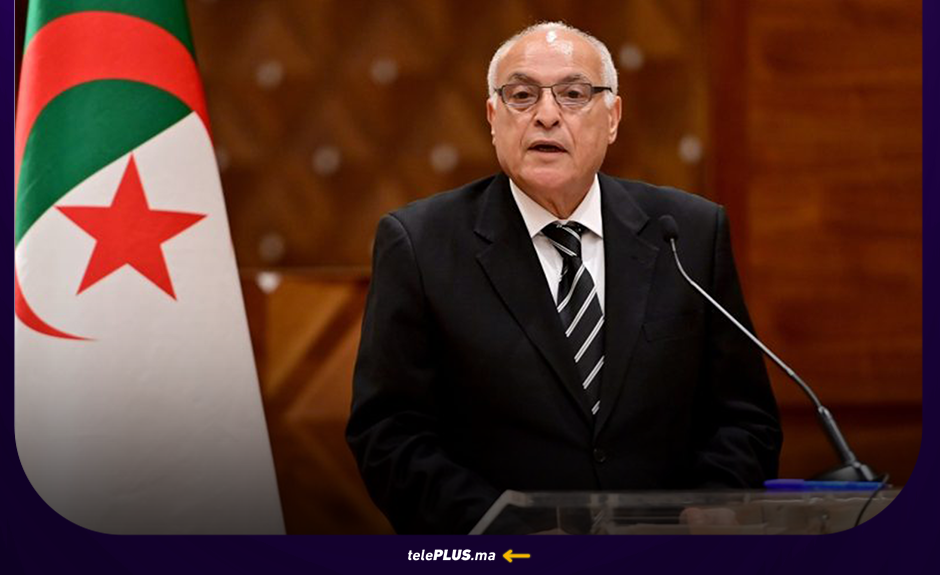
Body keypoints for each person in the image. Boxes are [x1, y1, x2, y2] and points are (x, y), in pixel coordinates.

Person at [346, 22, 782, 534]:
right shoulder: (420, 243)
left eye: (574, 94)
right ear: (493, 118)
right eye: (522, 95)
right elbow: (390, 434)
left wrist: (710, 507)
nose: (547, 115)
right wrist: (505, 533)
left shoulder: (688, 233)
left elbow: (743, 417)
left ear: (612, 117)